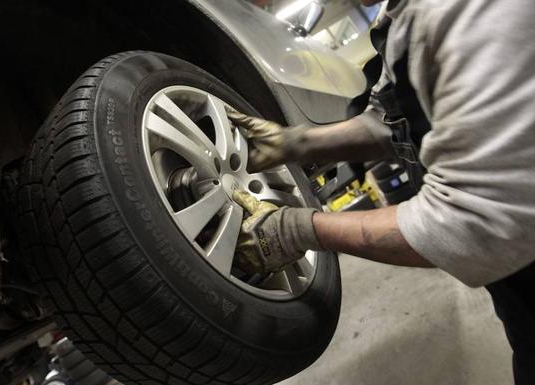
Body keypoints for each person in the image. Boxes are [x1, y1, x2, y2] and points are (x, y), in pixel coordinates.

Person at [228, 0, 535, 384]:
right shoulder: (399, 16)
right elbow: (390, 122)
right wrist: (295, 143)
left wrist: (299, 230)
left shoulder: (472, 12)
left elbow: (479, 226)